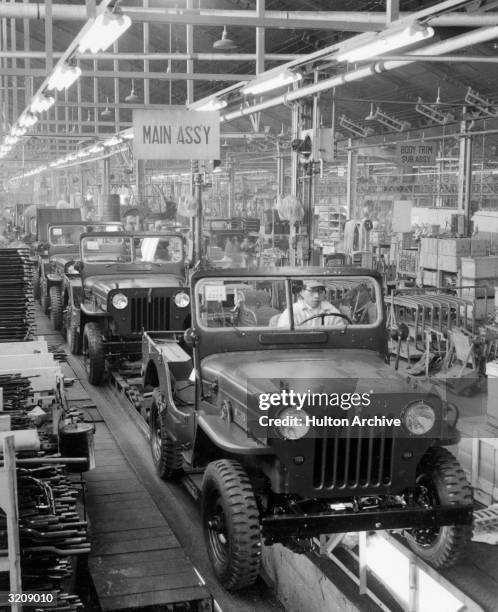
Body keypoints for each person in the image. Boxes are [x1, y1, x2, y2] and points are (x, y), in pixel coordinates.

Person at [278, 280, 345, 328]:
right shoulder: (291, 312)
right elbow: (284, 337)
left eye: (320, 291)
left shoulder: (333, 311)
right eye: (312, 291)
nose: (317, 296)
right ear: (301, 292)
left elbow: (340, 336)